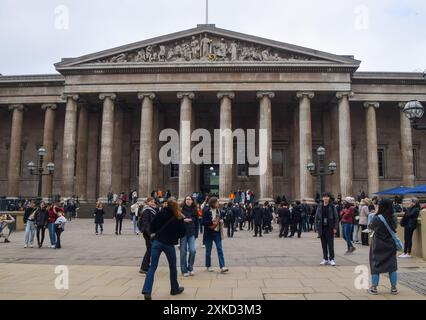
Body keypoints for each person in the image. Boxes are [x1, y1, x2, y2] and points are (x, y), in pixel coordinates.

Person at [141, 199, 186, 300]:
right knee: (172, 267)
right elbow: (182, 233)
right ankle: (174, 289)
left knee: (152, 267)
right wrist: (181, 222)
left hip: (157, 242)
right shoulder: (178, 216)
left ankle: (147, 290)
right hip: (169, 244)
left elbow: (152, 228)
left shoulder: (160, 213)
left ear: (166, 205)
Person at [368, 199, 398, 295]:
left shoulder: (377, 218)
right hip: (390, 244)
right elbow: (395, 228)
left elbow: (370, 227)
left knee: (375, 265)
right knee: (392, 266)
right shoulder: (393, 217)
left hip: (378, 245)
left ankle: (374, 288)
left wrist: (375, 213)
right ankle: (393, 288)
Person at [202, 197, 228, 273]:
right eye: (217, 202)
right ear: (213, 203)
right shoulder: (206, 210)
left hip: (217, 232)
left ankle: (222, 266)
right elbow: (203, 222)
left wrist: (220, 221)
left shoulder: (218, 210)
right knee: (208, 251)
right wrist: (212, 222)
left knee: (220, 249)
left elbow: (219, 218)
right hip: (209, 233)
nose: (218, 203)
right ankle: (208, 265)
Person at [315, 192, 339, 266]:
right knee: (324, 244)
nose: (325, 198)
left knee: (330, 244)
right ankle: (325, 258)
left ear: (329, 198)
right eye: (324, 197)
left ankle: (331, 259)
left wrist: (335, 227)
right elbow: (316, 217)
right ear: (322, 198)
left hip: (330, 228)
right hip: (322, 228)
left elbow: (336, 218)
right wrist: (317, 228)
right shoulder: (319, 206)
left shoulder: (332, 207)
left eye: (327, 197)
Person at [180, 195, 197, 276]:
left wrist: (196, 233)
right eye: (186, 199)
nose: (188, 200)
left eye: (189, 199)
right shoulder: (181, 209)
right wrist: (183, 220)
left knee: (193, 250)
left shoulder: (194, 210)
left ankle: (190, 267)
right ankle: (184, 270)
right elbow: (177, 220)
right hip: (183, 233)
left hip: (191, 232)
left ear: (192, 201)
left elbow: (197, 222)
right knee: (183, 252)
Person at [139, 198, 157, 274]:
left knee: (150, 250)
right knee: (149, 250)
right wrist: (150, 234)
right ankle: (144, 268)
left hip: (151, 233)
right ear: (147, 202)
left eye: (153, 201)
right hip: (148, 234)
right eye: (151, 201)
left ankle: (145, 266)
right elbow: (146, 224)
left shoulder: (151, 210)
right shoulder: (146, 211)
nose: (153, 203)